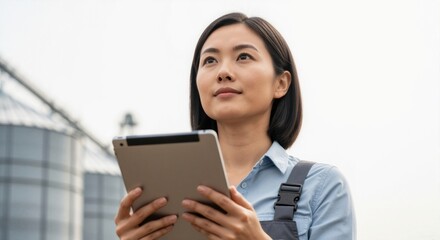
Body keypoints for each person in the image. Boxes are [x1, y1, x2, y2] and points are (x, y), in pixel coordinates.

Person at [114, 12, 356, 240]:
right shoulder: (162, 193)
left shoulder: (322, 187)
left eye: (243, 57)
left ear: (281, 83)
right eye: (210, 60)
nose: (223, 72)